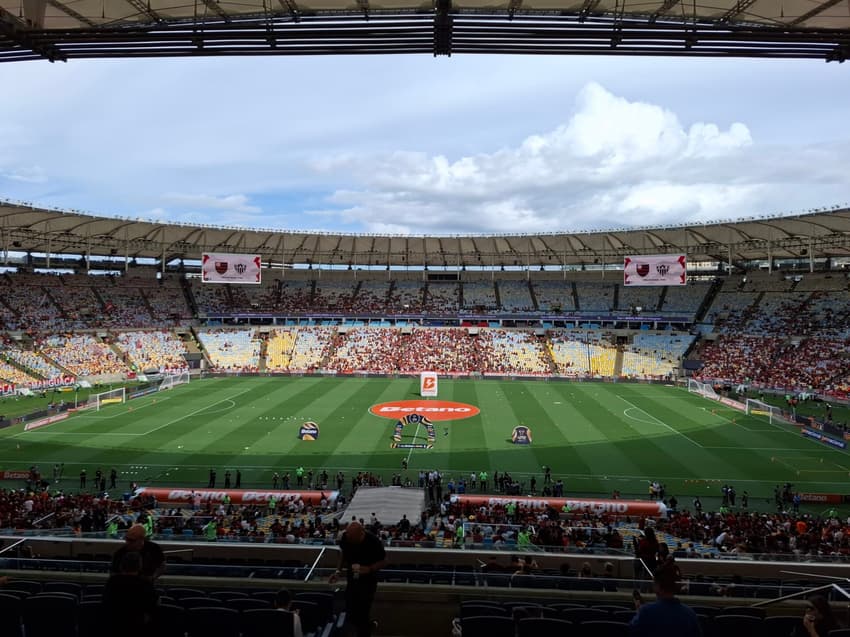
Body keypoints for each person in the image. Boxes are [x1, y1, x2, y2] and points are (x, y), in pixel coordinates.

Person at [329, 520, 387, 637]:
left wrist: (369, 568)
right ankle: (368, 626)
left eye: (351, 536)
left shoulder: (373, 542)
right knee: (350, 609)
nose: (348, 537)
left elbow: (384, 561)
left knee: (363, 610)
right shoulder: (346, 537)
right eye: (348, 534)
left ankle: (364, 632)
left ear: (361, 533)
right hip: (352, 579)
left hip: (368, 582)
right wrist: (337, 571)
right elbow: (343, 554)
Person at [629, 556, 701, 636]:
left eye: (654, 583)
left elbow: (632, 630)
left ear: (657, 586)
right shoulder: (690, 614)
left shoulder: (645, 611)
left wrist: (639, 612)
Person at [102, 551, 159, 637]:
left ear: (122, 565)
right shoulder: (145, 583)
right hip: (138, 627)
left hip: (115, 626)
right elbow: (153, 606)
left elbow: (105, 602)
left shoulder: (112, 581)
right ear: (139, 566)